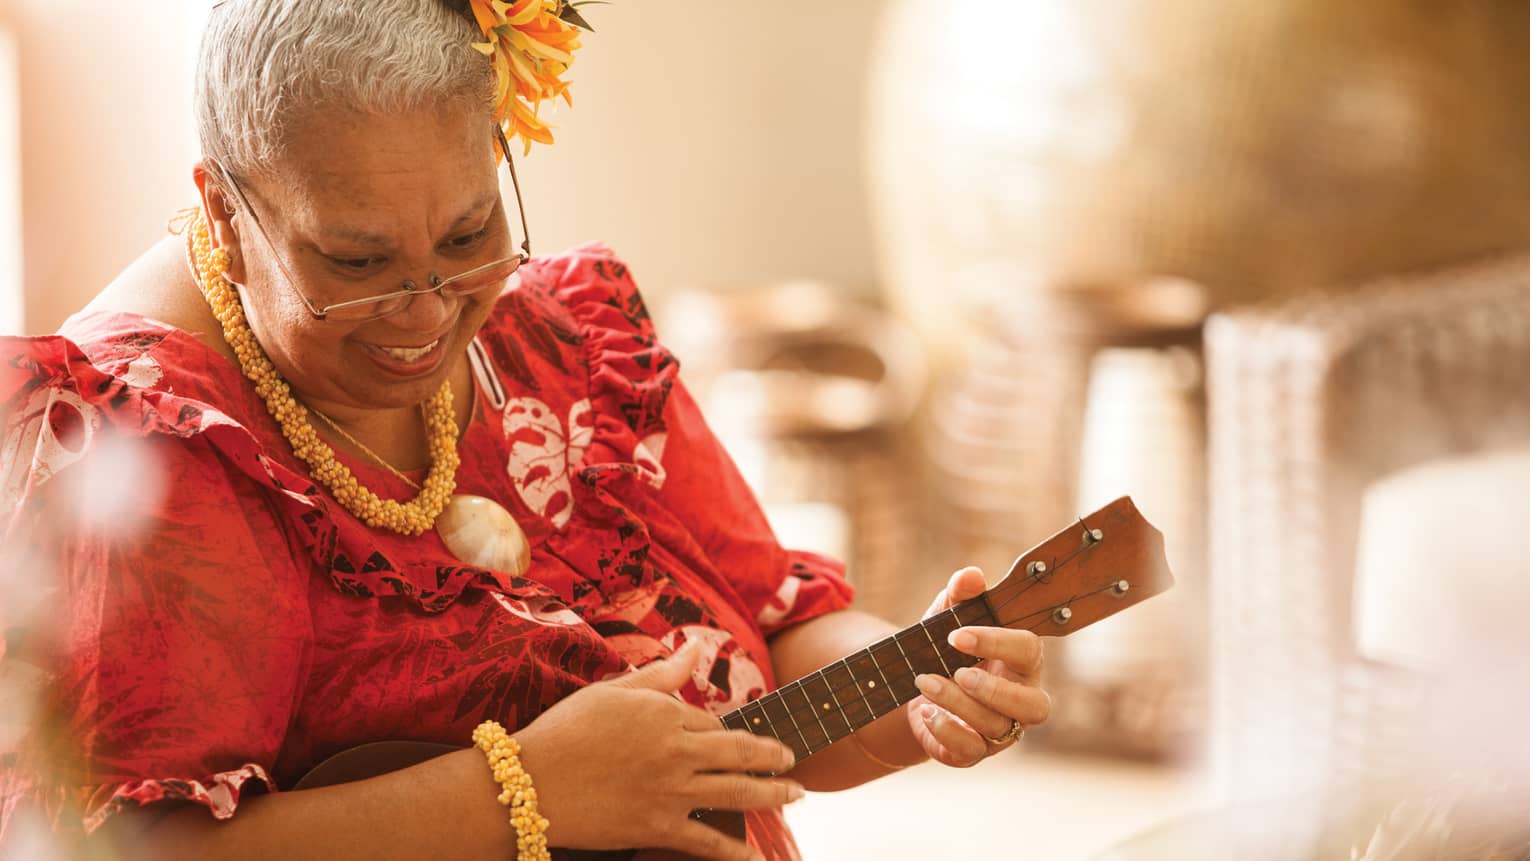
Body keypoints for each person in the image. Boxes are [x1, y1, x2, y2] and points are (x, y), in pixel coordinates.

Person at [0, 2, 1051, 859]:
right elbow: (117, 850)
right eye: (355, 262)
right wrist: (522, 792)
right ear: (223, 214)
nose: (426, 311)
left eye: (468, 233)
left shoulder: (563, 347)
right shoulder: (144, 452)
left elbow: (766, 645)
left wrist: (919, 687)